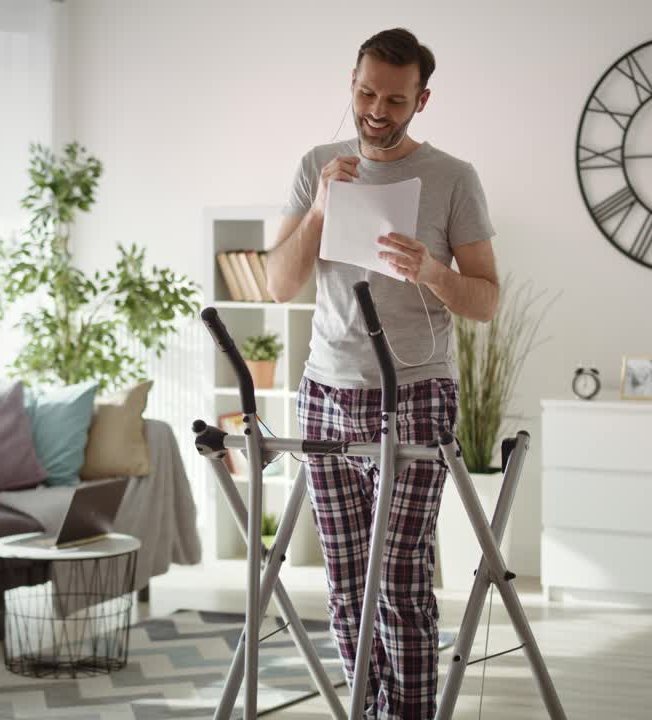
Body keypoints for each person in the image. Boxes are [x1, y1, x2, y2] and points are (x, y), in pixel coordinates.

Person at [264, 27, 499, 720]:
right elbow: (279, 285)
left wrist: (429, 269)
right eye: (366, 92)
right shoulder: (317, 163)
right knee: (344, 584)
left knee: (397, 582)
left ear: (420, 100)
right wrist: (317, 212)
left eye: (394, 99)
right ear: (353, 83)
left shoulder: (454, 178)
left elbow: (485, 299)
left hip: (418, 392)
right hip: (325, 392)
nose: (376, 109)